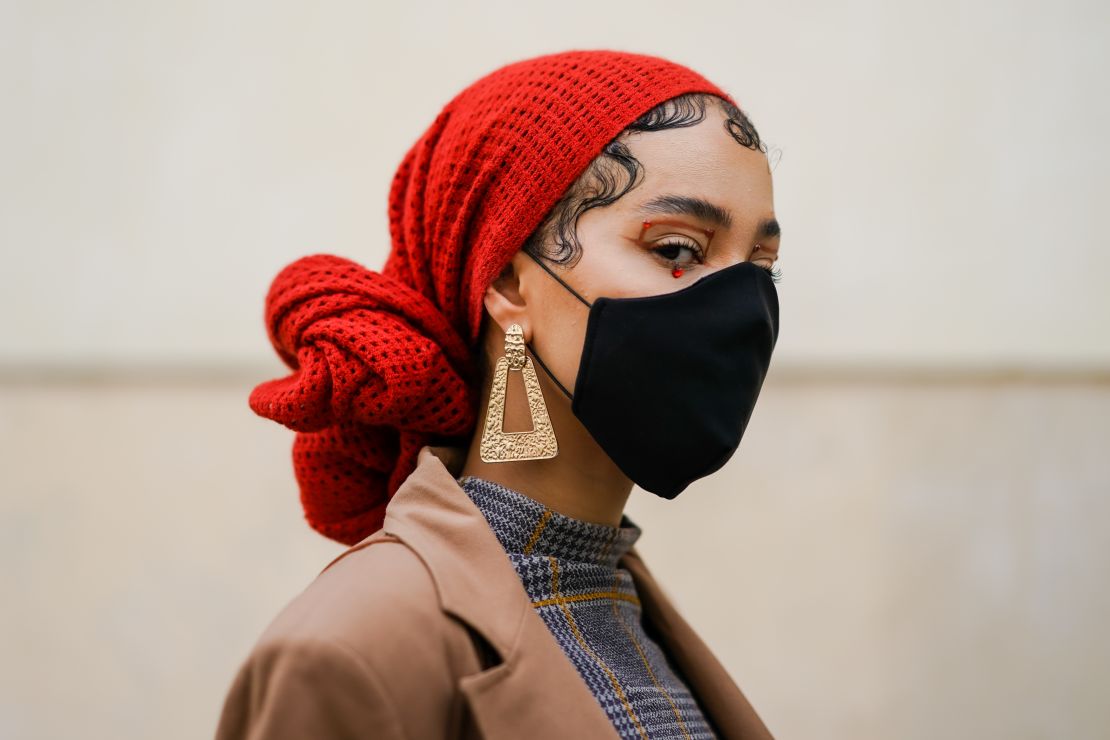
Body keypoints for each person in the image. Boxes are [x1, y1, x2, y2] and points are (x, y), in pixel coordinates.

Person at [215, 48, 781, 740]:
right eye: (676, 250)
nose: (743, 308)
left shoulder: (622, 603)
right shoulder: (353, 650)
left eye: (761, 266)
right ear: (510, 286)